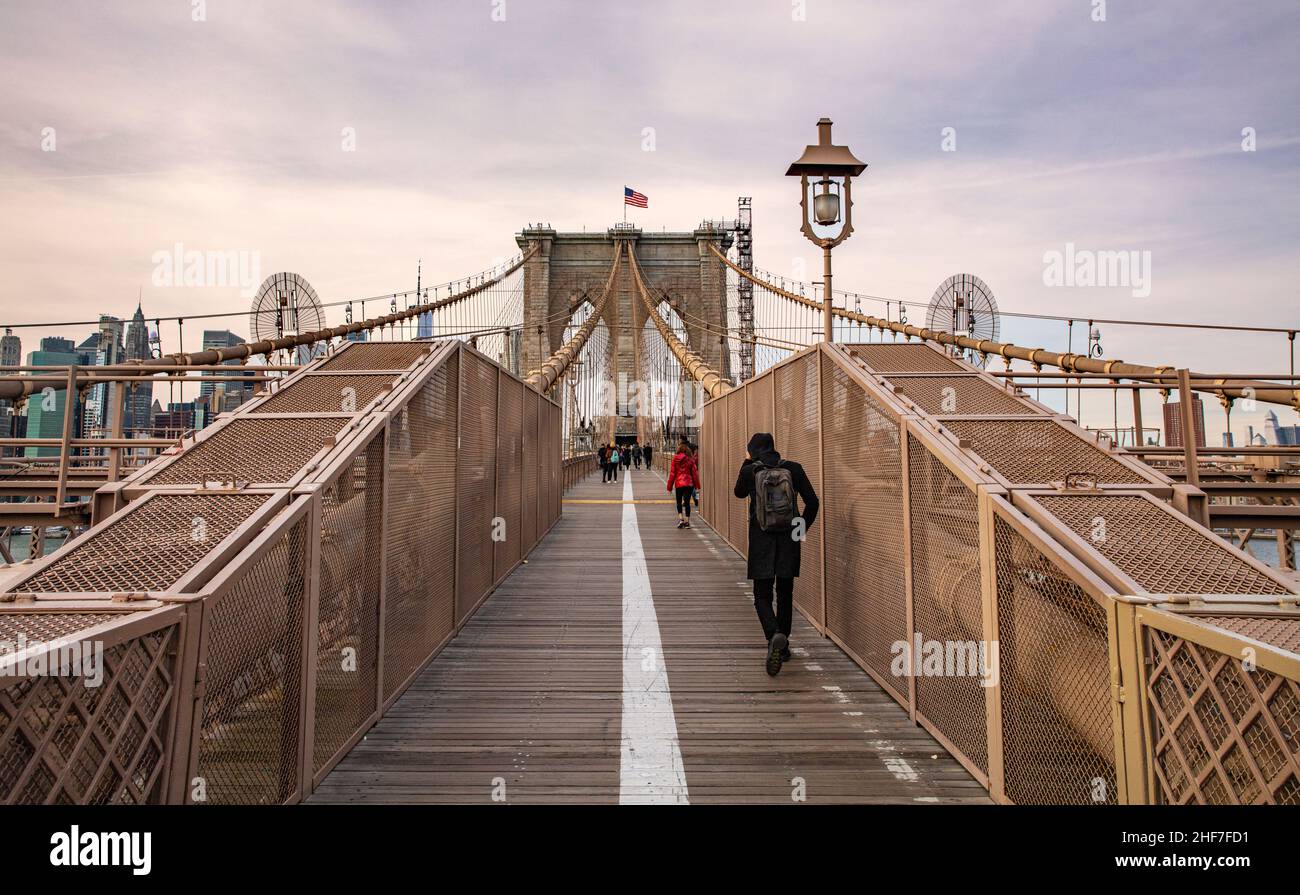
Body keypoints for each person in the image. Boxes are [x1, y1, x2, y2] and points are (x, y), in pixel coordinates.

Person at [734, 432, 819, 677]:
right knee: (784, 593)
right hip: (789, 540)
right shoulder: (794, 469)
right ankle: (784, 647)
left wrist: (747, 461)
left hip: (761, 540)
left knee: (762, 595)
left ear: (753, 450)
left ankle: (774, 635)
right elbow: (812, 503)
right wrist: (798, 530)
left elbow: (739, 493)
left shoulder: (751, 471)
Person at [666, 437, 701, 529]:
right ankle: (687, 522)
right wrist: (697, 485)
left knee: (678, 502)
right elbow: (694, 474)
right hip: (689, 484)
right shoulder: (690, 460)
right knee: (687, 502)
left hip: (679, 484)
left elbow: (672, 474)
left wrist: (669, 487)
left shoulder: (675, 459)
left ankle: (681, 519)